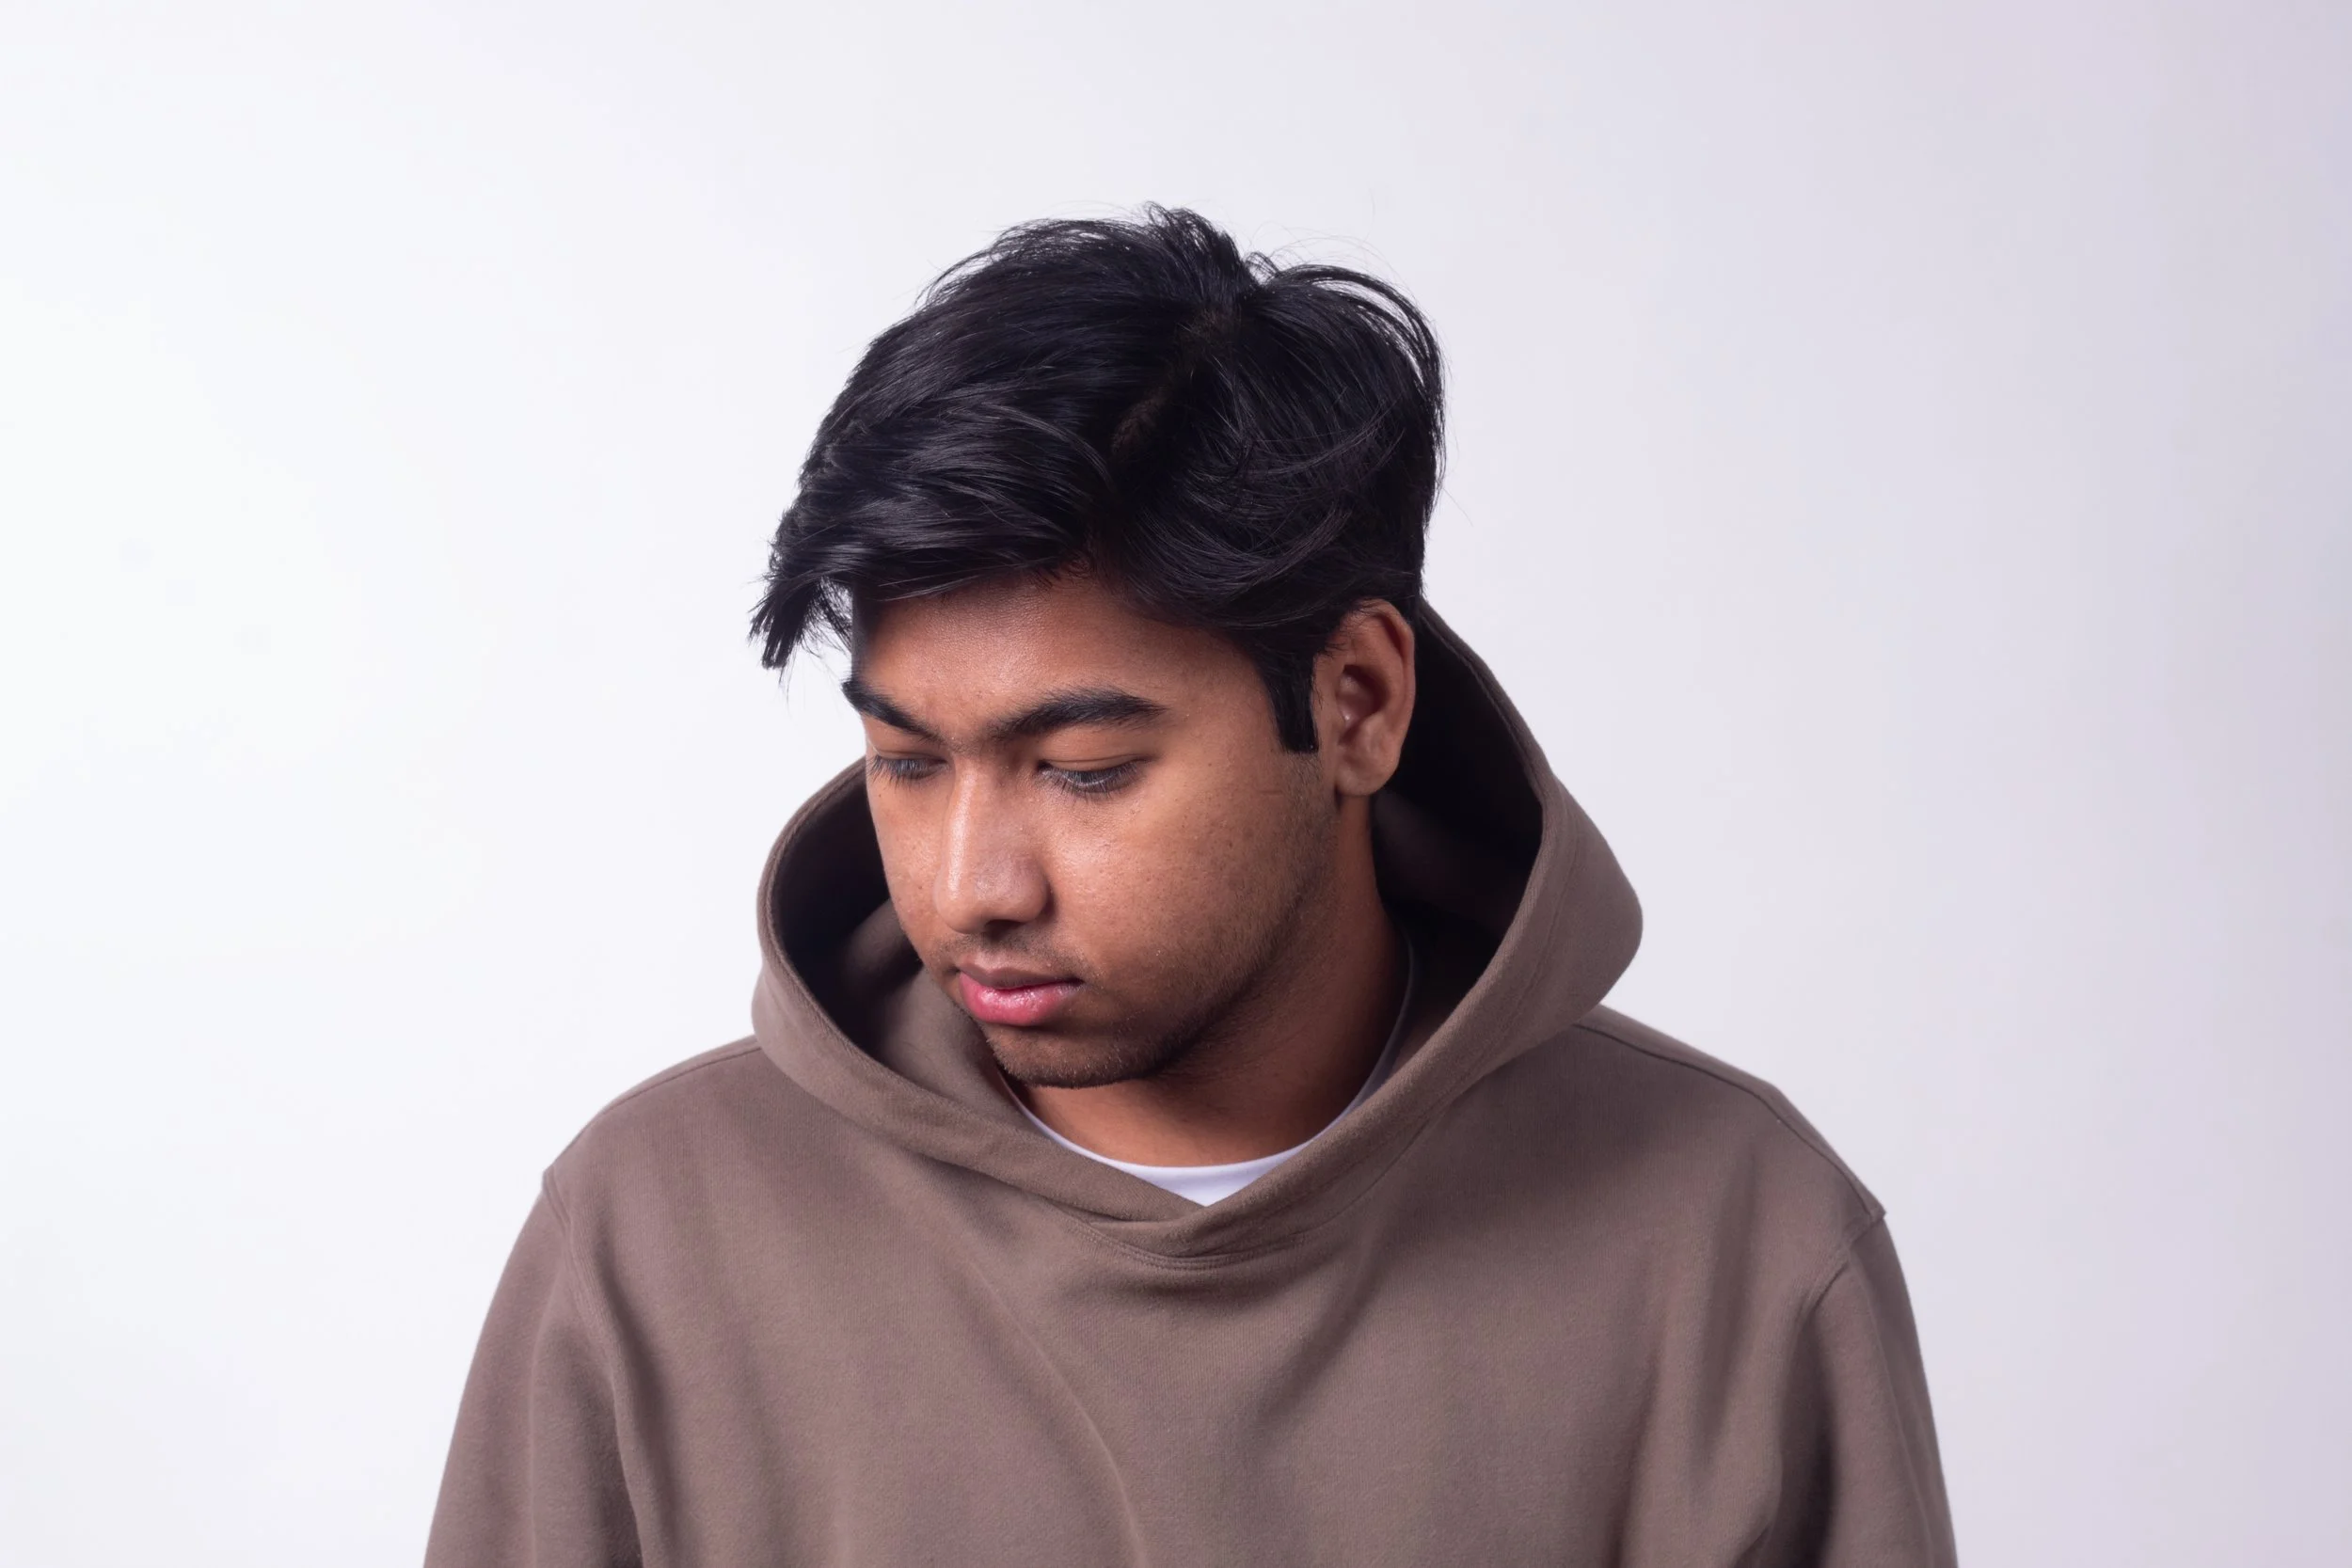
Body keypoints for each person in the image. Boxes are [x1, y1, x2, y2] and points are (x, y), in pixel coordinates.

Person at [424, 207, 1957, 1566]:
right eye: (907, 760)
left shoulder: (1733, 1239)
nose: (970, 885)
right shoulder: (653, 1236)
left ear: (1357, 702)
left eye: (1084, 768)